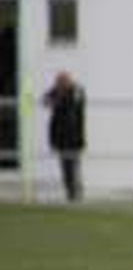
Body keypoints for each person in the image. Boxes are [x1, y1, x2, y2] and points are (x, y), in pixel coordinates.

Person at [43, 71, 85, 202]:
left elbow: (75, 102)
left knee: (73, 165)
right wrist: (55, 95)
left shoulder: (76, 91)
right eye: (59, 81)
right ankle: (70, 192)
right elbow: (46, 100)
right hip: (60, 137)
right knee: (65, 166)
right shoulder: (56, 91)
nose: (60, 84)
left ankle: (75, 192)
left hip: (74, 137)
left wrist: (58, 99)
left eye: (63, 81)